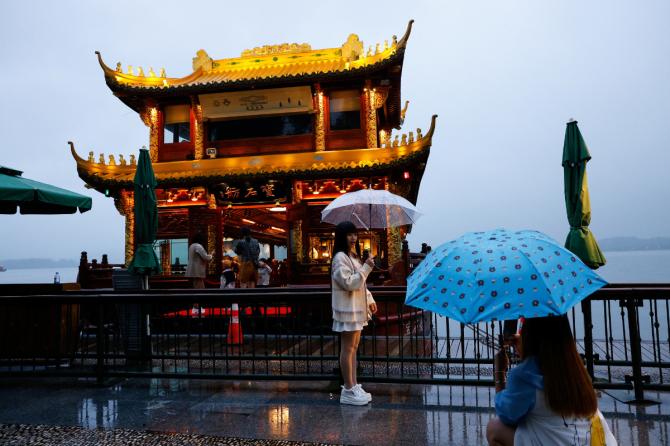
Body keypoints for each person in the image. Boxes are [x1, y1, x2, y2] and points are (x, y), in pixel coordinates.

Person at [486, 315, 616, 446]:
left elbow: (506, 415)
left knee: (494, 428)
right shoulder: (576, 368)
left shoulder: (524, 376)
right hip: (595, 440)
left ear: (530, 334)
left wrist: (499, 372)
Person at [331, 221, 377, 405]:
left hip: (356, 308)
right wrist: (366, 267)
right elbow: (349, 283)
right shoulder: (340, 258)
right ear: (342, 237)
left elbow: (361, 284)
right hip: (348, 309)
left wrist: (370, 299)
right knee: (348, 348)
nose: (353, 238)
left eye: (354, 234)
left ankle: (353, 385)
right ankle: (348, 389)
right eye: (349, 234)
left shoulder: (353, 257)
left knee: (353, 348)